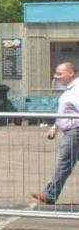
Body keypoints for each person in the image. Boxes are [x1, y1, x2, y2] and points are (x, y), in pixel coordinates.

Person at [33, 61, 79, 205]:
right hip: (71, 130)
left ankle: (50, 194)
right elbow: (66, 112)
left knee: (63, 163)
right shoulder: (70, 90)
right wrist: (55, 127)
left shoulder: (77, 89)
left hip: (75, 131)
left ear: (71, 73)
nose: (57, 77)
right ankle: (50, 193)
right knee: (64, 163)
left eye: (60, 74)